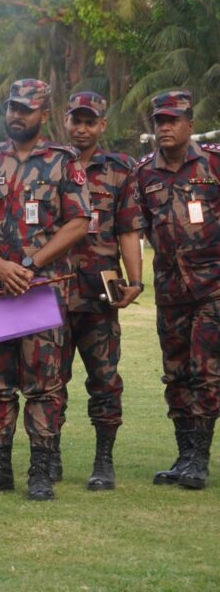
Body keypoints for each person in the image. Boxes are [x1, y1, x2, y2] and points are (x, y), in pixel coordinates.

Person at [0, 79, 91, 501]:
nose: (18, 115)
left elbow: (79, 220)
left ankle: (39, 471)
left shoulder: (63, 161)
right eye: (13, 107)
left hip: (38, 290)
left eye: (27, 109)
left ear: (43, 115)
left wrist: (31, 265)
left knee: (42, 384)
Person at [135, 90, 220, 490]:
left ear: (190, 123)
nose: (165, 127)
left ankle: (198, 460)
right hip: (169, 290)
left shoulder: (214, 164)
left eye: (173, 120)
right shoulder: (144, 173)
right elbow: (132, 228)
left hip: (212, 288)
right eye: (159, 121)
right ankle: (184, 454)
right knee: (176, 373)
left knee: (206, 371)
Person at [60, 91, 145, 490]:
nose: (81, 128)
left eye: (89, 121)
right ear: (64, 121)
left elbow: (128, 227)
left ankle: (103, 462)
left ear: (101, 126)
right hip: (53, 292)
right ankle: (49, 455)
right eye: (76, 120)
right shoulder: (49, 164)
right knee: (48, 381)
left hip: (98, 292)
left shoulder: (119, 169)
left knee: (105, 380)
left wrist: (136, 280)